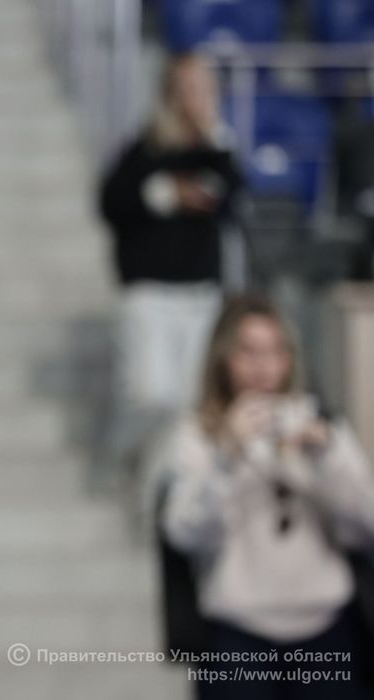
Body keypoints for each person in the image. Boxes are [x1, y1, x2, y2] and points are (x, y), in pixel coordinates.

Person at [158, 295, 374, 699]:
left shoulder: (321, 423)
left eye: (275, 351)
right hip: (238, 633)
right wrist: (228, 457)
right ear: (223, 358)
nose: (263, 367)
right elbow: (184, 535)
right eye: (249, 352)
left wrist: (328, 455)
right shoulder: (199, 434)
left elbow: (365, 526)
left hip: (326, 627)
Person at [97, 53, 244, 486]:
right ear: (169, 93)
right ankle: (130, 465)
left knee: (191, 401)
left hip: (199, 294)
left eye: (202, 88)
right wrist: (163, 193)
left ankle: (168, 489)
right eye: (186, 88)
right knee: (150, 394)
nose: (194, 98)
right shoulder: (146, 149)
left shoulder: (216, 150)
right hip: (150, 293)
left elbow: (235, 200)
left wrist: (213, 141)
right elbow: (111, 203)